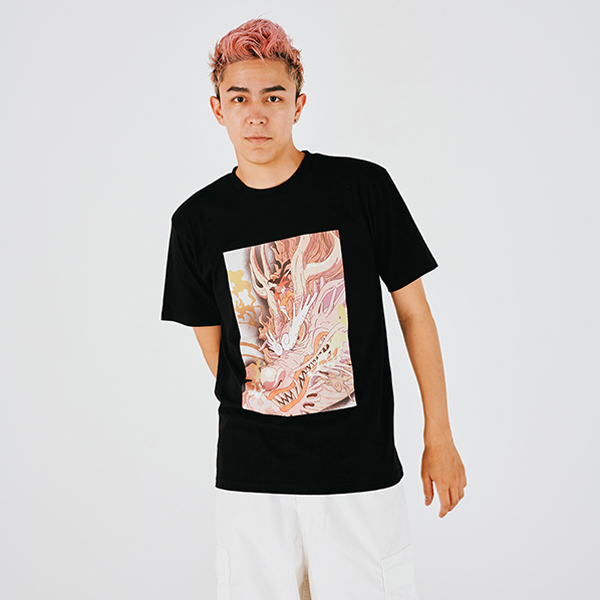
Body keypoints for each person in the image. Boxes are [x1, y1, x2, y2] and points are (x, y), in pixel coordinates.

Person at [161, 17, 466, 600]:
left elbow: (414, 314)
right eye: (239, 98)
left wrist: (440, 434)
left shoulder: (362, 188)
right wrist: (278, 394)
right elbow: (214, 344)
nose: (256, 114)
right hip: (252, 478)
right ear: (217, 108)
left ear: (298, 104)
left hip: (358, 469)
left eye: (273, 97)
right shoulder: (197, 221)